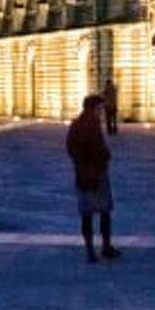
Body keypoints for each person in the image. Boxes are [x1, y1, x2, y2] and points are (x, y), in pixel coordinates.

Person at [66, 93, 119, 264]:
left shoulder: (75, 124)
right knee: (105, 211)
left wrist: (79, 163)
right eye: (100, 109)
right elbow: (100, 149)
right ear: (94, 109)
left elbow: (70, 147)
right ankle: (106, 247)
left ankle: (90, 250)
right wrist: (105, 157)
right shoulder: (93, 125)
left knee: (86, 215)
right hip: (97, 173)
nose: (102, 113)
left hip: (81, 174)